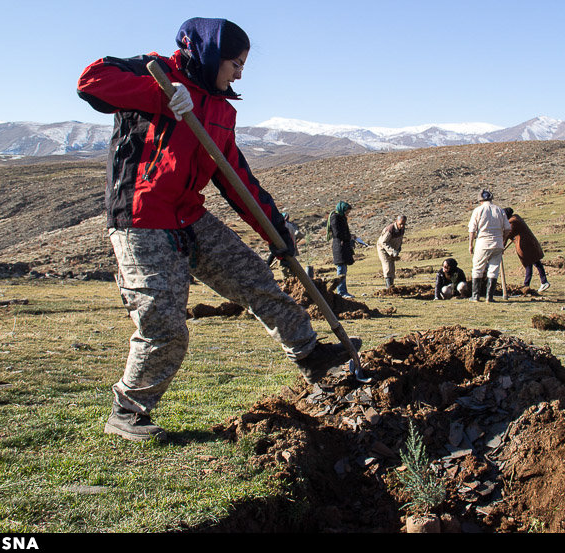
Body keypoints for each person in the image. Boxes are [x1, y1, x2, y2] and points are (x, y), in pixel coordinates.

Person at [77, 17, 360, 442]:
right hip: (141, 218)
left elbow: (235, 178)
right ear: (209, 54)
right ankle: (128, 411)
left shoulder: (221, 109)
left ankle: (311, 355)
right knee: (164, 322)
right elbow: (91, 80)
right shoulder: (156, 72)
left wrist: (276, 232)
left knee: (256, 281)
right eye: (235, 63)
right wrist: (163, 97)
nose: (240, 73)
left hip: (189, 216)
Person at [468, 189, 510, 302]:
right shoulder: (499, 210)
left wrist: (470, 245)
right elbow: (507, 229)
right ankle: (489, 297)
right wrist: (503, 240)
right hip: (498, 243)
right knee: (494, 269)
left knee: (477, 268)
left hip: (483, 242)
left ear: (480, 200)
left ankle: (475, 296)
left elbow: (472, 229)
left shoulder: (478, 210)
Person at [504, 207, 550, 293]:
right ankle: (544, 281)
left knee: (528, 263)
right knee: (536, 262)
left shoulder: (512, 222)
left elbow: (506, 235)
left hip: (525, 245)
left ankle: (526, 285)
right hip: (530, 243)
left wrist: (501, 247)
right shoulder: (516, 218)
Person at [327, 201, 355, 298]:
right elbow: (337, 233)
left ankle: (343, 290)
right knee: (341, 269)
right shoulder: (335, 217)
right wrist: (348, 237)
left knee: (343, 268)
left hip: (343, 246)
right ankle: (341, 292)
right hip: (339, 247)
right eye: (347, 211)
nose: (348, 213)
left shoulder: (342, 217)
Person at [376, 215, 407, 288]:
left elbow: (400, 239)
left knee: (392, 267)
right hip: (383, 248)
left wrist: (398, 248)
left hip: (392, 248)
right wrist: (392, 251)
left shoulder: (402, 229)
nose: (402, 226)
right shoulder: (390, 229)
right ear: (396, 221)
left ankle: (392, 286)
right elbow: (383, 242)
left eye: (404, 224)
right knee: (387, 266)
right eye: (400, 224)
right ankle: (388, 287)